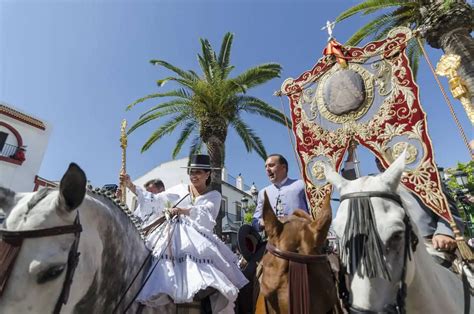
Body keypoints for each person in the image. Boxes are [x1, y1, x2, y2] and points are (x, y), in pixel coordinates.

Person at [133, 154, 248, 313]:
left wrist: (183, 211)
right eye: (191, 172)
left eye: (198, 172)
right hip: (173, 237)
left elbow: (207, 214)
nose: (193, 176)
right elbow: (156, 200)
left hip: (200, 239)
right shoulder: (180, 189)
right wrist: (131, 186)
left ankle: (204, 304)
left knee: (210, 276)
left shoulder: (214, 195)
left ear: (207, 174)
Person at [252, 154, 309, 231]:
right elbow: (255, 220)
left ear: (283, 167)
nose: (267, 169)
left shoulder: (302, 185)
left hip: (301, 237)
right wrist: (261, 223)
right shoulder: (263, 193)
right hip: (275, 240)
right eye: (266, 167)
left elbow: (316, 211)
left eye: (271, 165)